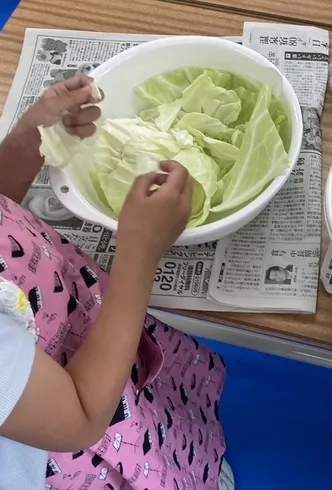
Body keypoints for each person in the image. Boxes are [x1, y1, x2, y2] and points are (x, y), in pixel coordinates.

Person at [0, 76, 233, 489]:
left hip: (88, 326)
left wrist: (35, 135)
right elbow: (83, 417)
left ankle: (197, 462)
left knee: (168, 418)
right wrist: (140, 251)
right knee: (158, 461)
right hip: (82, 439)